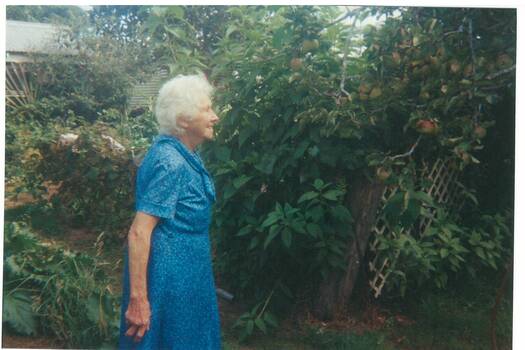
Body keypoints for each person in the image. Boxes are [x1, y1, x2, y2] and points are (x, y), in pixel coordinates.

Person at [118, 74, 221, 349]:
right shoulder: (171, 162)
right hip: (169, 278)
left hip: (187, 274)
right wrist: (138, 299)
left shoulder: (184, 154)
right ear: (184, 119)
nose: (215, 117)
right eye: (206, 109)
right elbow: (140, 232)